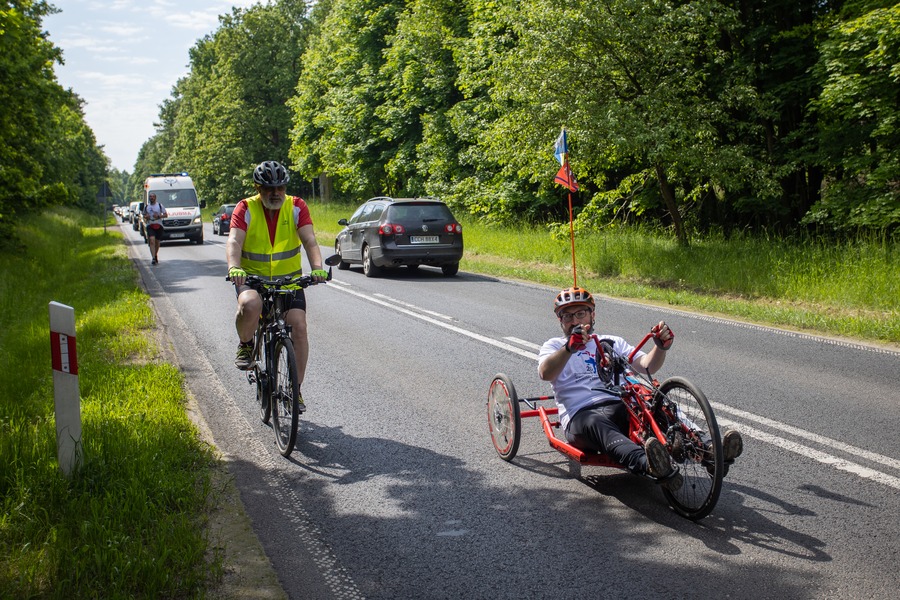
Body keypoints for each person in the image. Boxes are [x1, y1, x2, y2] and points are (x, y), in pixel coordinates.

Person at [538, 286, 743, 490]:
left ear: (593, 315)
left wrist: (661, 347)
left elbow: (647, 365)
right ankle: (651, 465)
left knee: (658, 407)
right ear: (560, 321)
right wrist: (569, 348)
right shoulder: (554, 346)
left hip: (621, 404)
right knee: (599, 424)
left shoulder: (611, 342)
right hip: (581, 415)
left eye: (580, 313)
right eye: (567, 316)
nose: (575, 321)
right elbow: (545, 373)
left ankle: (708, 449)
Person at [226, 161, 327, 407]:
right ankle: (246, 344)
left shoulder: (296, 206)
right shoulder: (245, 208)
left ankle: (295, 389)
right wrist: (234, 267)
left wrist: (317, 269)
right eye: (268, 188)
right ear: (258, 188)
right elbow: (234, 242)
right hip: (253, 278)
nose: (275, 193)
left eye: (280, 187)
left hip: (289, 281)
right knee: (250, 305)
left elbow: (310, 241)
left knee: (299, 326)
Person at [143, 193, 168, 264]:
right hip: (150, 224)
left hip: (158, 224)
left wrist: (159, 216)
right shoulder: (146, 206)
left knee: (157, 242)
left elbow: (166, 215)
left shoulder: (159, 205)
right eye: (150, 197)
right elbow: (144, 215)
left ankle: (155, 254)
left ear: (155, 198)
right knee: (151, 240)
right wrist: (146, 217)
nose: (152, 198)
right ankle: (153, 258)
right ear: (149, 198)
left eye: (153, 197)